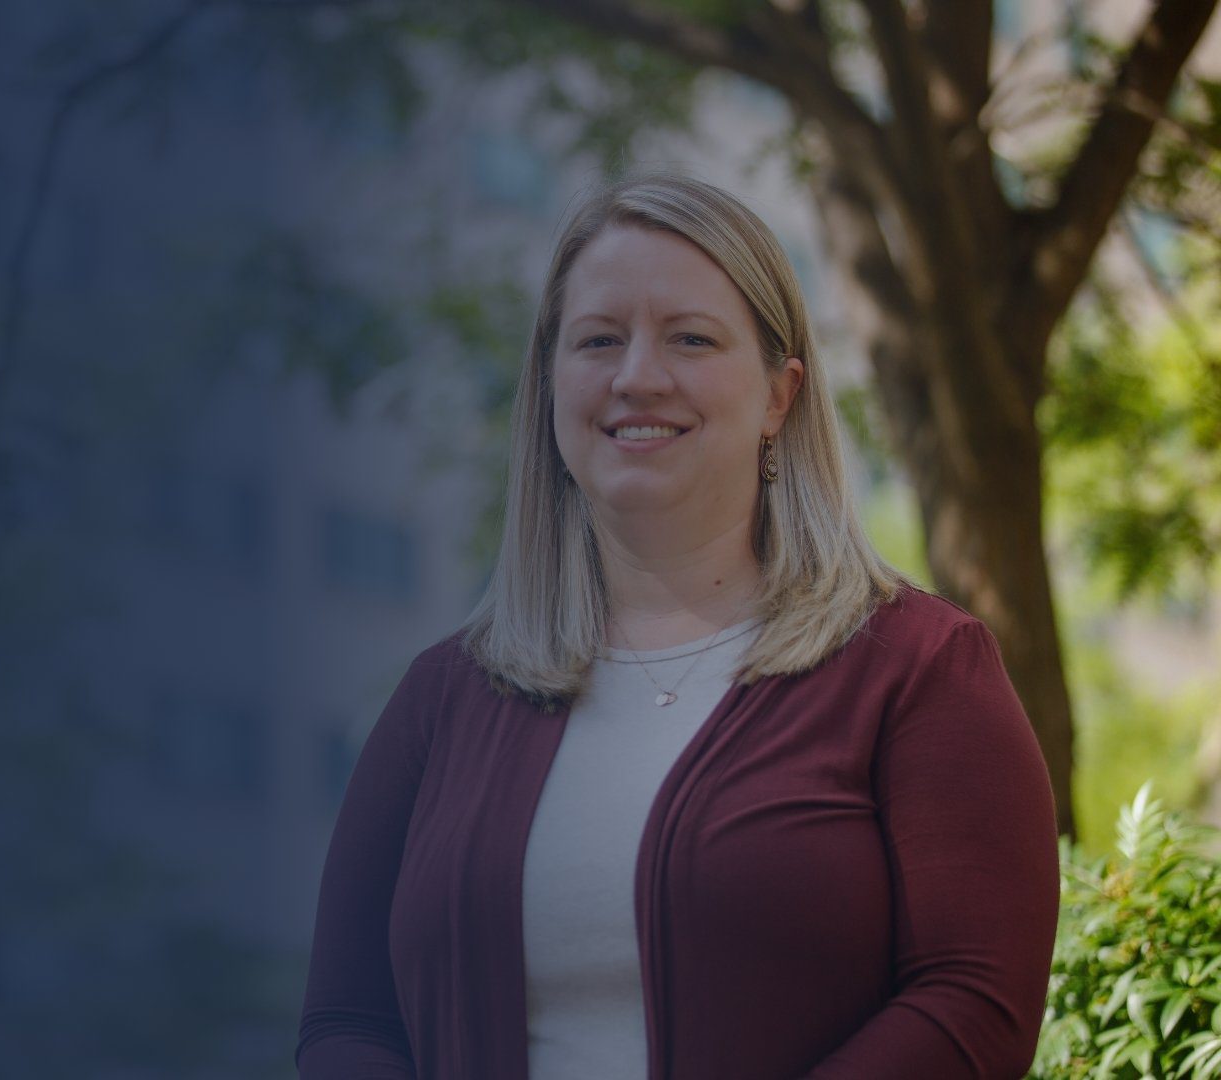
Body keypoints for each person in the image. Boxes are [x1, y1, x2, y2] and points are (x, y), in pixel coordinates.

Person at [294, 173, 1059, 1080]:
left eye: (690, 339)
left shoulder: (920, 670)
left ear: (780, 395)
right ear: (549, 386)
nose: (637, 377)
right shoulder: (443, 698)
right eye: (599, 340)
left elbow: (971, 1004)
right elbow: (347, 1019)